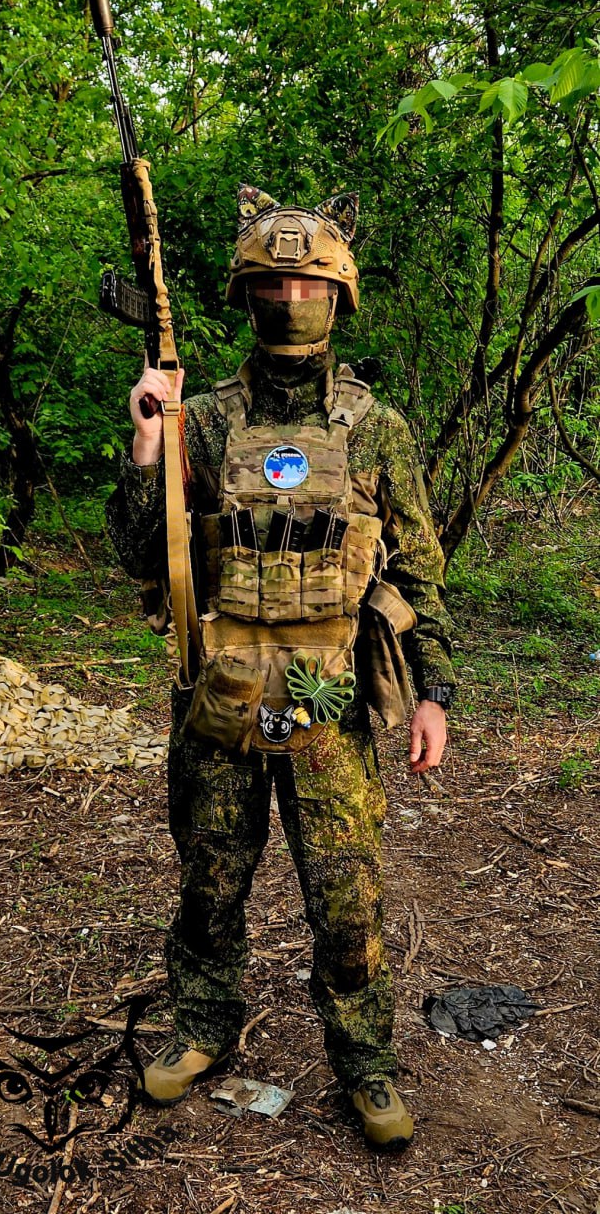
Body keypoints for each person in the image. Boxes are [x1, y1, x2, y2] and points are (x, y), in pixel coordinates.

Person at [106, 185, 456, 1150]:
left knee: (347, 901)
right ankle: (202, 1029)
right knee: (209, 885)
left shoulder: (376, 427)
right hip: (219, 701)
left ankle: (365, 1062)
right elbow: (138, 553)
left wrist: (431, 693)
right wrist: (148, 442)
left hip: (329, 707)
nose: (290, 296)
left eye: (308, 281)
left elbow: (418, 571)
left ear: (338, 294)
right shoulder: (203, 420)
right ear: (246, 295)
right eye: (272, 282)